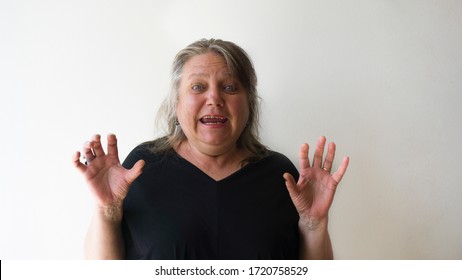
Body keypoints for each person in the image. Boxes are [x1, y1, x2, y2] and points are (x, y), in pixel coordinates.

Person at [72, 38, 349, 260]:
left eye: (229, 87)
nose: (214, 98)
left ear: (249, 103)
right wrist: (106, 209)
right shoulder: (140, 168)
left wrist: (314, 224)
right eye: (198, 87)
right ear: (176, 103)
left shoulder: (282, 176)